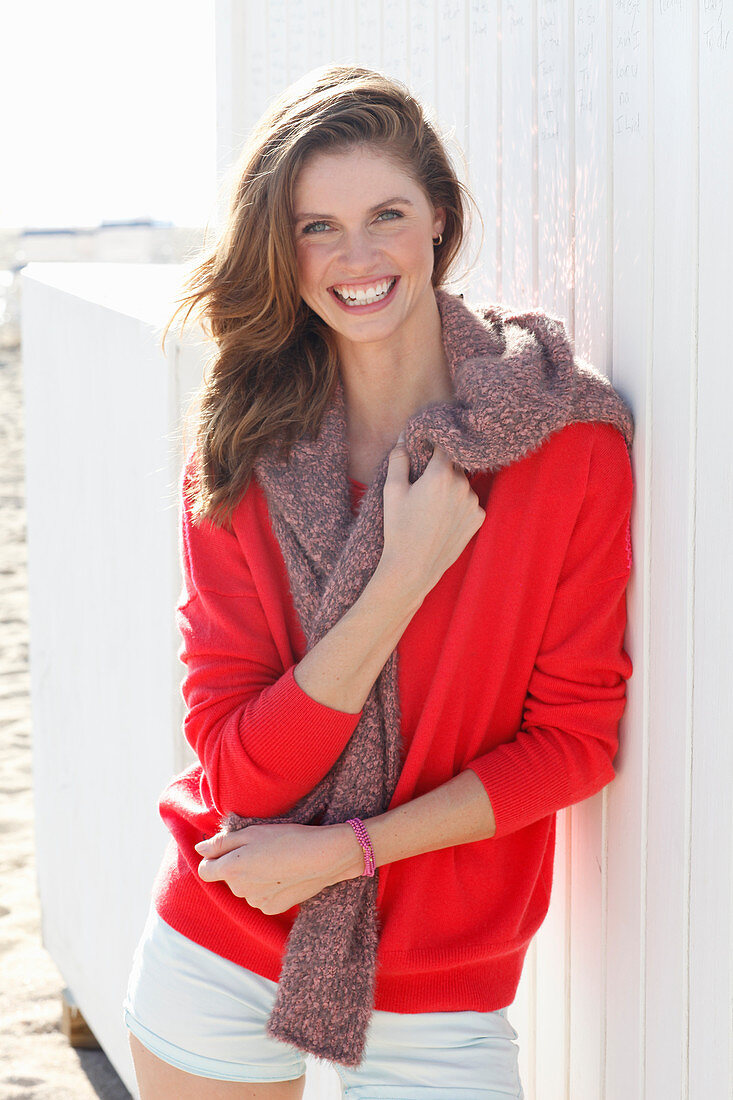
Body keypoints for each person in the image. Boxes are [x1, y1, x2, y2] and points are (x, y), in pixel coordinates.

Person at [122, 64, 634, 1100]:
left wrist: (346, 851)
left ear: (438, 220)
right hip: (226, 929)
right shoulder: (236, 456)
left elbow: (575, 742)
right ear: (284, 250)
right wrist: (398, 579)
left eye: (385, 214)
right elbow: (239, 774)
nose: (355, 257)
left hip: (441, 975)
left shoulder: (567, 444)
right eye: (317, 227)